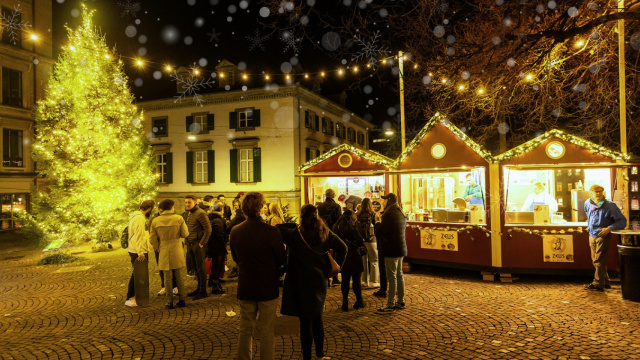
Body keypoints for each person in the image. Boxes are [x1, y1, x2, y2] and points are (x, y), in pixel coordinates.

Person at [277, 205, 347, 360]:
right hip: (319, 281)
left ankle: (307, 355)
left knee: (305, 321)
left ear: (301, 217)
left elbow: (278, 228)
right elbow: (344, 248)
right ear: (317, 216)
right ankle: (320, 352)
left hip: (300, 283)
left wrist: (293, 224)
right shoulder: (325, 232)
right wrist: (336, 267)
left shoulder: (295, 234)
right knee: (317, 318)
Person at [230, 192, 287, 360]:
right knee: (267, 330)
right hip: (267, 285)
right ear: (261, 207)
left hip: (246, 283)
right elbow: (282, 259)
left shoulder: (235, 231)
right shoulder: (271, 231)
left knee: (245, 328)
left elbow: (235, 257)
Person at [584, 184, 627, 292]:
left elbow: (622, 221)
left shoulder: (610, 206)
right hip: (591, 234)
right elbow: (588, 215)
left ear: (603, 192)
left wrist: (609, 228)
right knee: (595, 260)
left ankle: (598, 283)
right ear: (591, 193)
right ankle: (606, 281)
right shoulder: (587, 203)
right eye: (596, 192)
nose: (598, 194)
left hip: (603, 235)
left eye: (600, 191)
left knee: (599, 260)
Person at [149, 199, 189, 309]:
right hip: (176, 247)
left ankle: (170, 301)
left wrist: (159, 247)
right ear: (171, 207)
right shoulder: (179, 218)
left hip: (163, 248)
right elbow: (185, 234)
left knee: (167, 277)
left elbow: (152, 239)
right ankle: (182, 299)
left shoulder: (155, 221)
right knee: (179, 275)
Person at [376, 193, 407, 313]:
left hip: (391, 249)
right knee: (399, 274)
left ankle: (391, 304)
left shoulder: (389, 214)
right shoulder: (400, 211)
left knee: (392, 276)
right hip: (401, 247)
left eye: (384, 200)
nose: (383, 202)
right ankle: (401, 300)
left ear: (388, 201)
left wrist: (377, 222)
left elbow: (382, 232)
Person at [332, 210, 365, 311]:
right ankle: (359, 300)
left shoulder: (337, 228)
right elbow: (360, 241)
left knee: (345, 281)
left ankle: (345, 302)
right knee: (356, 280)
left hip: (343, 258)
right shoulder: (352, 228)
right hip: (354, 256)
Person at [125, 199, 155, 307]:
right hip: (137, 250)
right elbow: (139, 235)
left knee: (138, 274)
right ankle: (130, 297)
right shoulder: (139, 218)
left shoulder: (136, 216)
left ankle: (134, 296)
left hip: (136, 249)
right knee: (137, 274)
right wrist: (140, 252)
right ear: (150, 209)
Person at [182, 195, 212, 300]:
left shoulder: (201, 213)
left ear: (195, 202)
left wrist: (202, 243)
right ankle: (198, 289)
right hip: (190, 243)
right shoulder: (188, 213)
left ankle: (203, 291)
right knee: (195, 268)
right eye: (186, 202)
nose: (187, 204)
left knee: (201, 268)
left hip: (198, 244)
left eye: (189, 202)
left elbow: (208, 229)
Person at [317, 189, 343, 286]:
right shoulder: (336, 206)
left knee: (324, 253)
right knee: (335, 254)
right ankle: (335, 277)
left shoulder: (320, 207)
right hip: (333, 233)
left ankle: (326, 279)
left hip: (322, 233)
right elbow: (339, 221)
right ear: (333, 195)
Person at [153, 208, 178, 297]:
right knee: (162, 267)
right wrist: (157, 247)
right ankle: (164, 286)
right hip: (160, 247)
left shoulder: (174, 218)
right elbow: (152, 235)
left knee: (174, 266)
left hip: (171, 246)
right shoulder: (154, 219)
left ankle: (175, 286)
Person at [357, 198, 379, 289]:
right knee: (374, 260)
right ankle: (374, 281)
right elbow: (377, 227)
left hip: (361, 241)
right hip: (371, 240)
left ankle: (364, 281)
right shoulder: (373, 214)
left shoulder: (358, 215)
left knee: (364, 261)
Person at [207, 202, 228, 295]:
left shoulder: (211, 218)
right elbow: (219, 234)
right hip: (218, 246)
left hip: (212, 245)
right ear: (220, 210)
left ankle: (212, 281)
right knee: (217, 265)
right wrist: (224, 245)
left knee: (215, 264)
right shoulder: (218, 220)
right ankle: (215, 286)